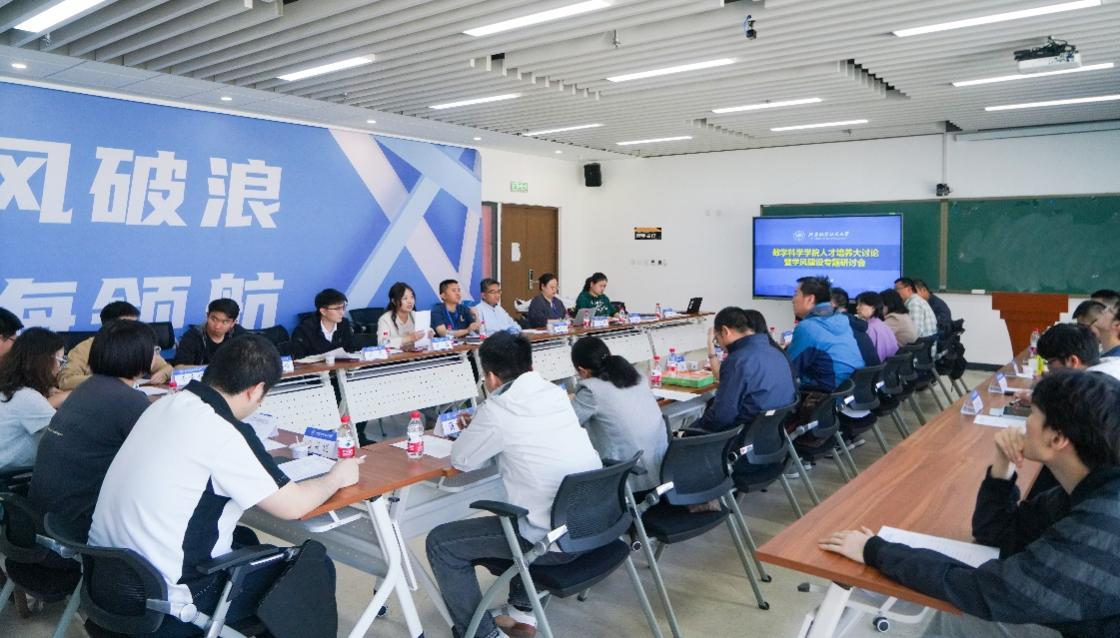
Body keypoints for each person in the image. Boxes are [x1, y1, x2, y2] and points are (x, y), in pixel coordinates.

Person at [88, 335, 360, 636]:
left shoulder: (163, 405)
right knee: (313, 569)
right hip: (168, 605)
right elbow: (293, 506)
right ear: (256, 389)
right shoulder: (225, 431)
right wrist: (338, 476)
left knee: (246, 538)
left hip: (108, 584)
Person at [820, 370, 1120, 638]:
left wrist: (875, 550)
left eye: (1032, 414)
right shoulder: (1086, 490)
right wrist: (1003, 465)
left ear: (1057, 439)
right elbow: (997, 532)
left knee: (966, 619)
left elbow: (990, 592)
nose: (1023, 423)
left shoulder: (1102, 521)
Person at [425, 332, 600, 638]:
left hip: (552, 542)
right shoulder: (555, 393)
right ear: (530, 365)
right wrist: (483, 425)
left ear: (491, 378)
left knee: (441, 543)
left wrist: (480, 424)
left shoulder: (499, 409)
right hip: (592, 524)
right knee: (521, 510)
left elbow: (462, 459)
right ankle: (522, 614)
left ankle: (481, 634)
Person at [30, 320, 157, 539]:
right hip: (75, 523)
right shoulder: (130, 401)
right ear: (141, 356)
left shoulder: (86, 387)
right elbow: (154, 462)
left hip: (43, 514)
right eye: (154, 350)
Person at [569, 335, 666, 491]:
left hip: (632, 481)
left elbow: (568, 422)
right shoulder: (636, 376)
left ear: (582, 370)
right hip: (663, 470)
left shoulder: (591, 390)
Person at [695, 307, 796, 434]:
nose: (719, 344)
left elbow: (721, 417)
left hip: (743, 436)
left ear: (725, 331)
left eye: (717, 340)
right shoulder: (776, 352)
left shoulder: (737, 361)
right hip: (775, 434)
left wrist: (689, 430)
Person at [58, 300, 173, 390]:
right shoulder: (84, 348)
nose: (136, 330)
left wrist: (163, 373)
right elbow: (66, 380)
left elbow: (166, 367)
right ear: (110, 327)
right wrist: (110, 382)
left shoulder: (140, 346)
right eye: (129, 325)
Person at [0, 328, 68, 472]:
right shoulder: (27, 397)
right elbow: (66, 435)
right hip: (13, 478)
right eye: (60, 360)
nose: (60, 368)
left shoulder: (10, 386)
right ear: (44, 361)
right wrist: (66, 397)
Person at [789, 276, 863, 392]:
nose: (793, 300)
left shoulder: (808, 327)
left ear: (810, 299)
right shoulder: (841, 320)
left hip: (827, 397)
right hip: (852, 393)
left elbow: (787, 369)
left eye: (796, 294)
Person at [173, 298, 247, 366]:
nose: (217, 326)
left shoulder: (239, 334)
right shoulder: (193, 336)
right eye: (214, 319)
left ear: (233, 323)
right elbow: (179, 367)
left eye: (225, 322)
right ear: (207, 316)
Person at [290, 288, 358, 358]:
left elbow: (351, 350)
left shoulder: (344, 324)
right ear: (323, 311)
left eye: (343, 307)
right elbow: (298, 359)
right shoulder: (304, 330)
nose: (342, 312)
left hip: (342, 365)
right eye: (337, 309)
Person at [832, 288, 879, 366]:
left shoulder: (836, 326)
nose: (857, 308)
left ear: (832, 304)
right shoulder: (858, 325)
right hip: (871, 372)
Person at [377, 282, 430, 349]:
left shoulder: (415, 315)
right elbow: (382, 343)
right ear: (394, 301)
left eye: (412, 297)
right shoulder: (385, 319)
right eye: (405, 298)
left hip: (416, 354)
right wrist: (408, 338)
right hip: (396, 355)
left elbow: (427, 332)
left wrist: (429, 334)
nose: (410, 301)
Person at [855, 291, 900, 361]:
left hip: (877, 366)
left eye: (861, 305)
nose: (857, 307)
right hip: (890, 366)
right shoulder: (882, 324)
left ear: (873, 308)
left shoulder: (870, 328)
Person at [913, 278, 953, 342]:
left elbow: (942, 330)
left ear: (924, 290)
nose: (913, 296)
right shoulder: (925, 302)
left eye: (915, 293)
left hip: (936, 341)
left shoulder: (937, 305)